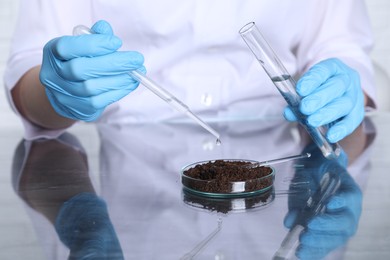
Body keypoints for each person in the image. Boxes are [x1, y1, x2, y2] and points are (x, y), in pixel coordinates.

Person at [4, 0, 376, 141]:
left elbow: (340, 45)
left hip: (283, 152)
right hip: (132, 165)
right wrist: (58, 93)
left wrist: (342, 91)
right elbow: (30, 75)